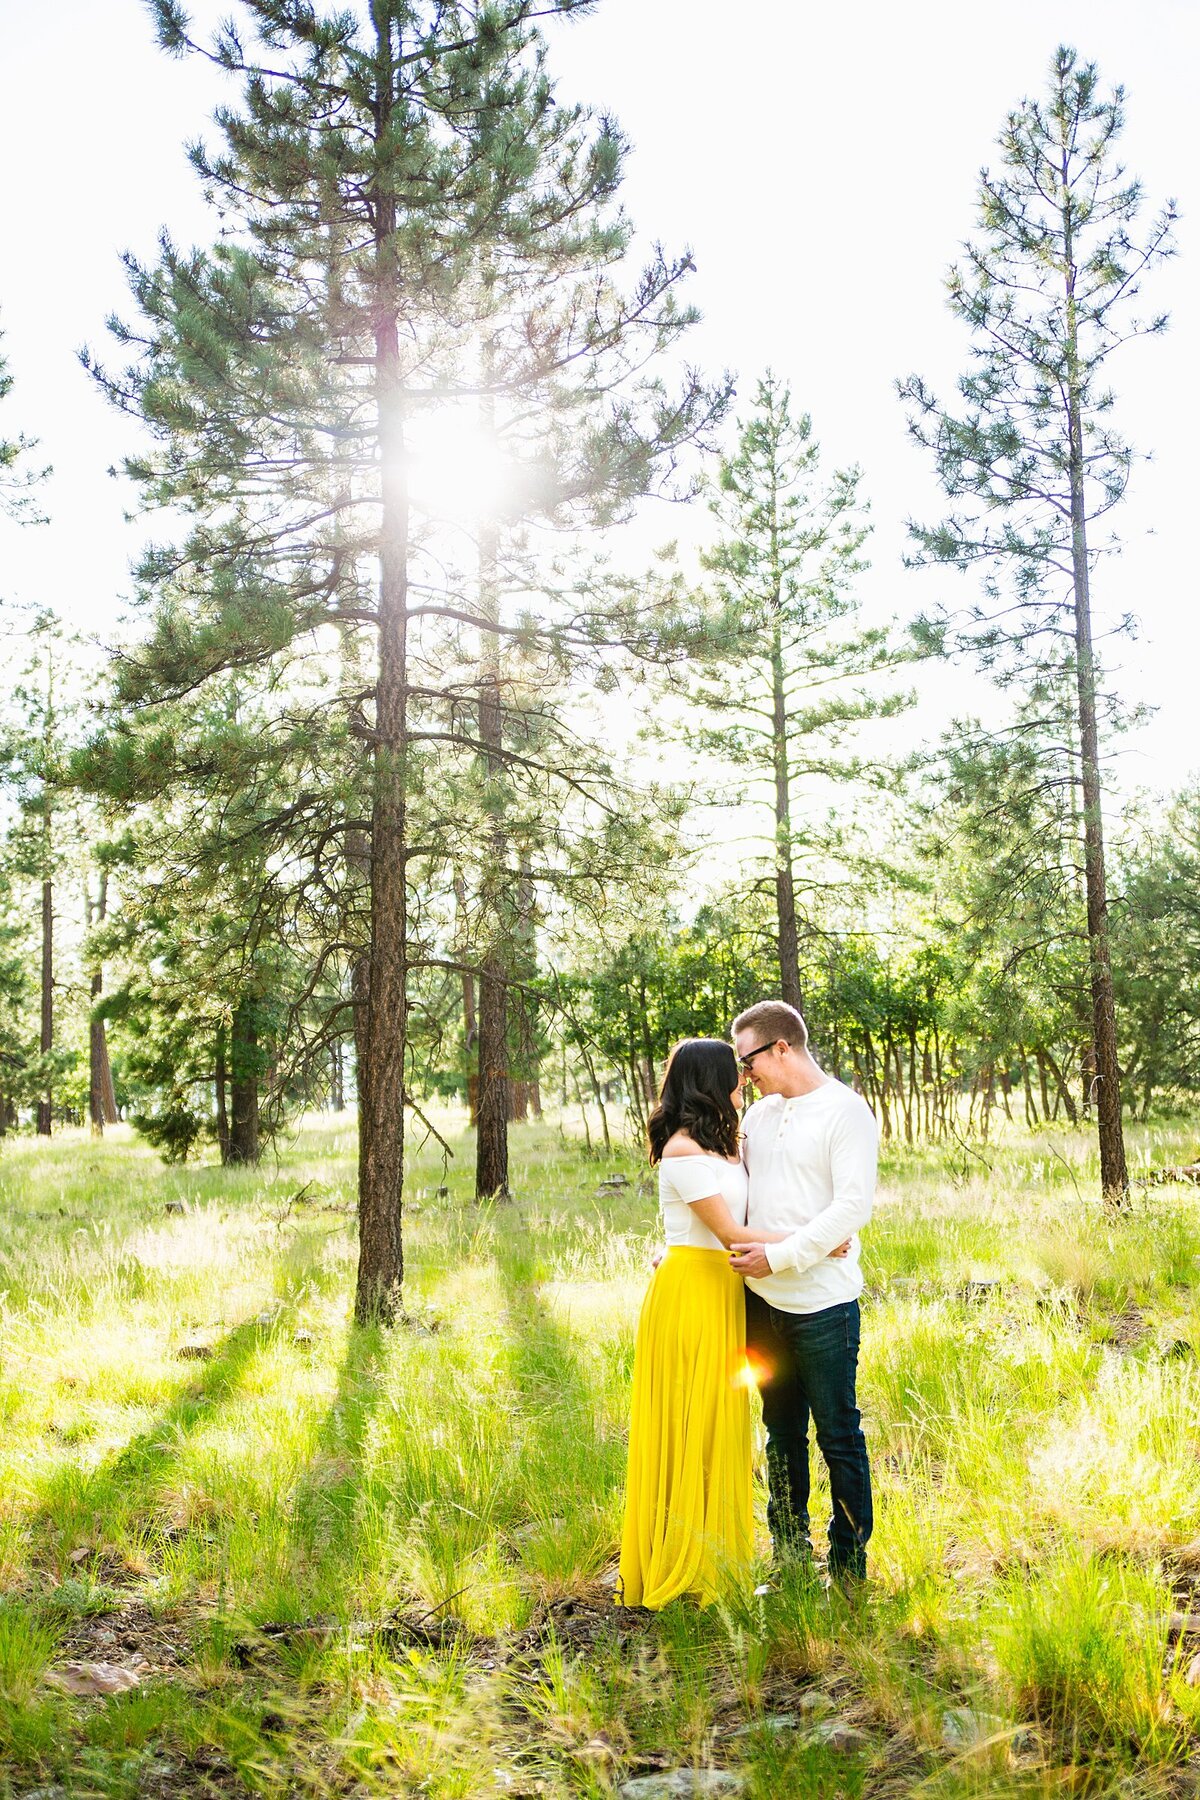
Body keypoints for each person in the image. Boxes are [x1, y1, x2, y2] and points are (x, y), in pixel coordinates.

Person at [617, 1037, 848, 1609]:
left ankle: (713, 1554)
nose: (744, 1082)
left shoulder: (725, 1145)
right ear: (711, 1081)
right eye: (735, 1075)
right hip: (693, 1295)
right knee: (689, 1421)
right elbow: (733, 1235)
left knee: (719, 1425)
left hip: (725, 1291)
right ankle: (682, 1562)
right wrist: (818, 1241)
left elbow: (740, 1218)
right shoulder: (681, 1151)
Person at [729, 1000, 878, 1585]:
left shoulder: (845, 1111)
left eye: (748, 1060)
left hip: (823, 1307)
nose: (746, 1074)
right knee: (780, 1434)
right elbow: (732, 1192)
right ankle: (790, 1558)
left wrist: (783, 1254)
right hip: (762, 1307)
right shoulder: (760, 1118)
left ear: (781, 1048)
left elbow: (852, 1206)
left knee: (838, 1437)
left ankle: (847, 1570)